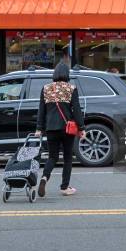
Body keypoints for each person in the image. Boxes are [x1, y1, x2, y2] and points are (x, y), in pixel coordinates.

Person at [35, 63, 85, 197]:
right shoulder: (71, 88)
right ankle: (65, 187)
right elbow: (77, 109)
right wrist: (81, 128)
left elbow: (41, 110)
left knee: (52, 157)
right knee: (68, 157)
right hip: (67, 128)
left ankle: (44, 178)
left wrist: (39, 128)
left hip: (51, 128)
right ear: (66, 74)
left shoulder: (46, 88)